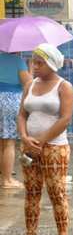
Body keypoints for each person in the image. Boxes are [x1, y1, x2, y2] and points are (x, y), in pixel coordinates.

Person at [5, 44, 73, 235]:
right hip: (29, 147)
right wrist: (25, 137)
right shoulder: (30, 85)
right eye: (33, 62)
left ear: (52, 64)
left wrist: (41, 142)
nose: (34, 66)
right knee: (31, 194)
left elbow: (65, 119)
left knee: (57, 193)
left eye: (39, 63)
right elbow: (21, 115)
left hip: (55, 147)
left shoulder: (64, 87)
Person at [0, 52, 31, 188]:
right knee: (9, 142)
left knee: (1, 142)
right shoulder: (18, 61)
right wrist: (30, 69)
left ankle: (4, 174)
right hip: (10, 101)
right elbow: (28, 84)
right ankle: (7, 180)